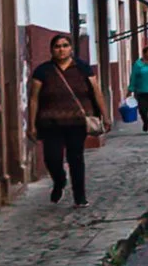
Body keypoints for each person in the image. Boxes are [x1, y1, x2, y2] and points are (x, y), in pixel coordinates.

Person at [30, 34, 104, 206]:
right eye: (57, 46)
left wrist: (104, 115)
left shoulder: (82, 68)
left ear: (71, 48)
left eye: (65, 46)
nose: (61, 49)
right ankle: (60, 180)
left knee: (76, 158)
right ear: (51, 50)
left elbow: (96, 92)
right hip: (50, 123)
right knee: (52, 158)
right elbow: (34, 98)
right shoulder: (43, 71)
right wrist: (32, 124)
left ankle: (80, 197)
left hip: (76, 123)